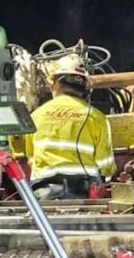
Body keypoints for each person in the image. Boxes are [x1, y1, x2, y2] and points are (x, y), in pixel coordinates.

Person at [25, 54, 116, 200]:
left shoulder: (36, 116)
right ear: (85, 88)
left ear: (56, 84)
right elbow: (105, 166)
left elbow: (30, 157)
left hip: (44, 193)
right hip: (84, 192)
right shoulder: (96, 117)